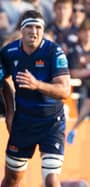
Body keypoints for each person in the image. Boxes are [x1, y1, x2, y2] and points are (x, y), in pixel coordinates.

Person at [0, 10, 71, 187]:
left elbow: (65, 90)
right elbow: (2, 82)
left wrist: (37, 84)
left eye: (38, 27)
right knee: (11, 179)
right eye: (29, 27)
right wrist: (10, 111)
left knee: (51, 181)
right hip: (23, 122)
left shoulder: (54, 52)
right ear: (21, 30)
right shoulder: (9, 52)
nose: (34, 31)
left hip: (51, 122)